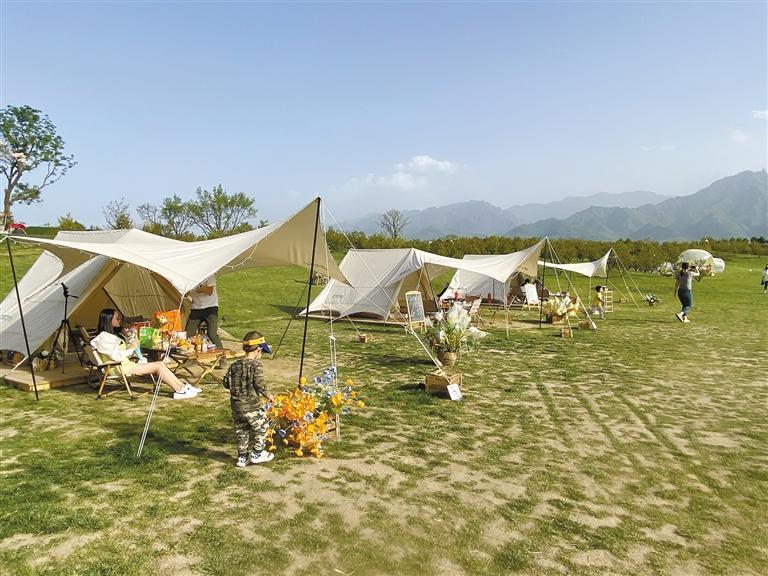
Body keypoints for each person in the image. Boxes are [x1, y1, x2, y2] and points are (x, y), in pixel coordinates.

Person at [91, 309, 199, 399]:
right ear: (108, 320)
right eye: (117, 318)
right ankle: (179, 390)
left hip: (123, 365)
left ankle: (182, 386)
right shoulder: (104, 338)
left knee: (160, 364)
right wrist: (131, 348)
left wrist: (130, 345)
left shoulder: (110, 335)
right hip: (118, 367)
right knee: (158, 366)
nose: (120, 320)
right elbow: (116, 356)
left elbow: (119, 352)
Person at [223, 330, 275, 468]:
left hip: (236, 406)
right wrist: (269, 395)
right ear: (258, 350)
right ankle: (258, 453)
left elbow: (226, 383)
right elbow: (259, 384)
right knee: (262, 426)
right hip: (251, 406)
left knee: (241, 430)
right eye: (262, 351)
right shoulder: (256, 365)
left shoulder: (234, 365)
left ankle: (242, 457)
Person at [185, 275, 225, 366]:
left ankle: (222, 358)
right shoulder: (189, 274)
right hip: (196, 308)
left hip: (210, 307)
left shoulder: (209, 274)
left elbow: (210, 291)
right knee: (189, 334)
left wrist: (199, 288)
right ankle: (191, 358)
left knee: (212, 334)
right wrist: (189, 296)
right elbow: (185, 290)